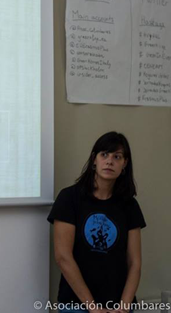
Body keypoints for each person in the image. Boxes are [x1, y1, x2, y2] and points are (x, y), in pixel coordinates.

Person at [48, 132, 145, 313]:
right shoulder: (69, 198)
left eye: (117, 157)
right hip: (76, 304)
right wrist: (92, 307)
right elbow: (63, 257)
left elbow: (135, 262)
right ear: (94, 160)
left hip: (119, 306)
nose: (109, 161)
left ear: (124, 164)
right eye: (104, 155)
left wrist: (124, 307)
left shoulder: (129, 205)